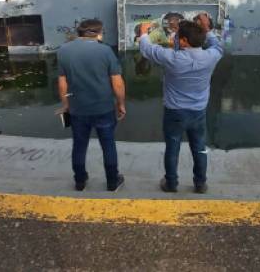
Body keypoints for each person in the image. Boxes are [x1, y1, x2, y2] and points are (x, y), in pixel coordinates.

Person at [138, 13, 223, 193]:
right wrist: (207, 29)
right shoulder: (211, 56)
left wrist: (144, 32)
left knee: (172, 148)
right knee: (199, 148)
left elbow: (146, 49)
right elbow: (218, 46)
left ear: (184, 41)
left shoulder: (171, 58)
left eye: (177, 36)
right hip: (198, 112)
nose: (174, 38)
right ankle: (200, 184)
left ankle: (171, 183)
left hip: (174, 112)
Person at [57, 19, 126, 192]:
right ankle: (112, 181)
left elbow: (62, 83)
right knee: (108, 145)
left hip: (77, 109)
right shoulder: (106, 51)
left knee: (79, 145)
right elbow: (117, 83)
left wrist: (66, 104)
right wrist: (121, 103)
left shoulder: (64, 50)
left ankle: (80, 180)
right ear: (99, 33)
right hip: (103, 108)